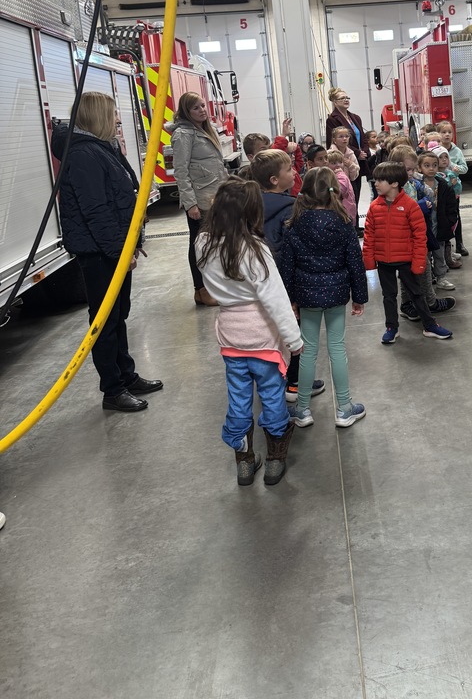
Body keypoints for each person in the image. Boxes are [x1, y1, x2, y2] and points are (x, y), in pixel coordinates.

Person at [51, 92, 163, 412]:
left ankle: (125, 375)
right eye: (113, 114)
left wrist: (132, 242)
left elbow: (119, 199)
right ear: (98, 116)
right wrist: (118, 251)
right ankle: (112, 390)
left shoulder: (101, 147)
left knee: (118, 315)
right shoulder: (84, 154)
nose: (117, 119)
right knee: (104, 321)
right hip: (99, 253)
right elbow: (96, 211)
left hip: (111, 248)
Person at [196, 178, 302, 486]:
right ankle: (275, 460)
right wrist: (294, 339)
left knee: (238, 398)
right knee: (272, 395)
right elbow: (275, 299)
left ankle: (244, 462)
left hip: (230, 334)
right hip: (262, 336)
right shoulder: (255, 249)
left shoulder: (203, 244)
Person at [280, 168, 369, 427]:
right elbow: (355, 263)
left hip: (306, 295)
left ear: (304, 192)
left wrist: (289, 299)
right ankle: (344, 408)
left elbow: (287, 266)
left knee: (307, 351)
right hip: (336, 293)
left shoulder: (295, 224)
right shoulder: (343, 223)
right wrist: (359, 297)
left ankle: (303, 409)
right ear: (335, 191)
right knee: (337, 348)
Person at [249, 149, 325, 404]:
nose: (294, 172)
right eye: (288, 169)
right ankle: (295, 383)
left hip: (261, 281)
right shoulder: (291, 208)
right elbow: (297, 249)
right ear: (274, 180)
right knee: (294, 331)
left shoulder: (249, 206)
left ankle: (273, 380)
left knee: (271, 332)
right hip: (287, 281)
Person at [363, 161, 453, 344]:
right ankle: (391, 327)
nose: (375, 183)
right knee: (388, 296)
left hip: (406, 260)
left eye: (380, 180)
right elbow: (369, 235)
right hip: (384, 261)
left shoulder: (410, 206)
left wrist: (419, 261)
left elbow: (420, 237)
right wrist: (369, 260)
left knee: (417, 294)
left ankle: (429, 325)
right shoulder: (374, 207)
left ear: (395, 183)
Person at [170, 92, 229, 306]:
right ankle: (201, 289)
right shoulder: (183, 135)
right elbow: (181, 171)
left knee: (214, 244)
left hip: (214, 197)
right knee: (199, 245)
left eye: (203, 105)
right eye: (195, 108)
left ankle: (213, 286)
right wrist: (190, 204)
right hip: (200, 200)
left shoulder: (203, 130)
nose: (202, 110)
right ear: (186, 112)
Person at [388, 144, 455, 321]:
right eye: (407, 170)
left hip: (417, 234)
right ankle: (415, 304)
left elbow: (428, 193)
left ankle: (424, 301)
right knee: (411, 272)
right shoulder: (393, 188)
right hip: (404, 238)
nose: (410, 173)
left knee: (421, 269)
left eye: (412, 169)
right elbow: (399, 211)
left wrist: (424, 196)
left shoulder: (412, 183)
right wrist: (420, 206)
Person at [326, 87, 370, 234]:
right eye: (342, 98)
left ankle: (355, 223)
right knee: (347, 194)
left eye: (347, 97)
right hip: (344, 159)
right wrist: (357, 152)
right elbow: (336, 140)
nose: (346, 100)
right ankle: (349, 224)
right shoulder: (332, 119)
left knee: (356, 192)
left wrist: (364, 151)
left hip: (358, 160)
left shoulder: (355, 117)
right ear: (334, 102)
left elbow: (362, 137)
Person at [418, 151, 459, 290]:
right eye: (427, 165)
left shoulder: (443, 185)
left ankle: (441, 277)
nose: (431, 168)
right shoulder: (417, 186)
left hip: (439, 227)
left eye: (434, 165)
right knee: (425, 255)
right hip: (424, 228)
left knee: (439, 254)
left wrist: (450, 221)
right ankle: (428, 278)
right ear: (419, 168)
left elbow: (452, 206)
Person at [436, 121, 469, 256]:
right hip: (439, 190)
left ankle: (459, 243)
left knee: (455, 216)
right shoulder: (435, 150)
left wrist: (454, 167)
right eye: (443, 132)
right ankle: (445, 246)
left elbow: (464, 168)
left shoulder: (457, 151)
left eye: (449, 132)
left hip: (454, 191)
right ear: (438, 134)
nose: (447, 135)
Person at [433, 145, 463, 270]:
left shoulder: (450, 173)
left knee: (450, 229)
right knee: (442, 233)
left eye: (446, 157)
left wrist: (455, 181)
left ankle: (448, 255)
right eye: (440, 157)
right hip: (440, 208)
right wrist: (450, 184)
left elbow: (458, 189)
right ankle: (444, 260)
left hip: (451, 205)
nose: (444, 160)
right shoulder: (436, 176)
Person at [326, 149, 357, 221]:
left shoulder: (341, 176)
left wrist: (340, 175)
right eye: (333, 163)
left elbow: (341, 190)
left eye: (340, 162)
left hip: (345, 213)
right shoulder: (332, 176)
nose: (338, 165)